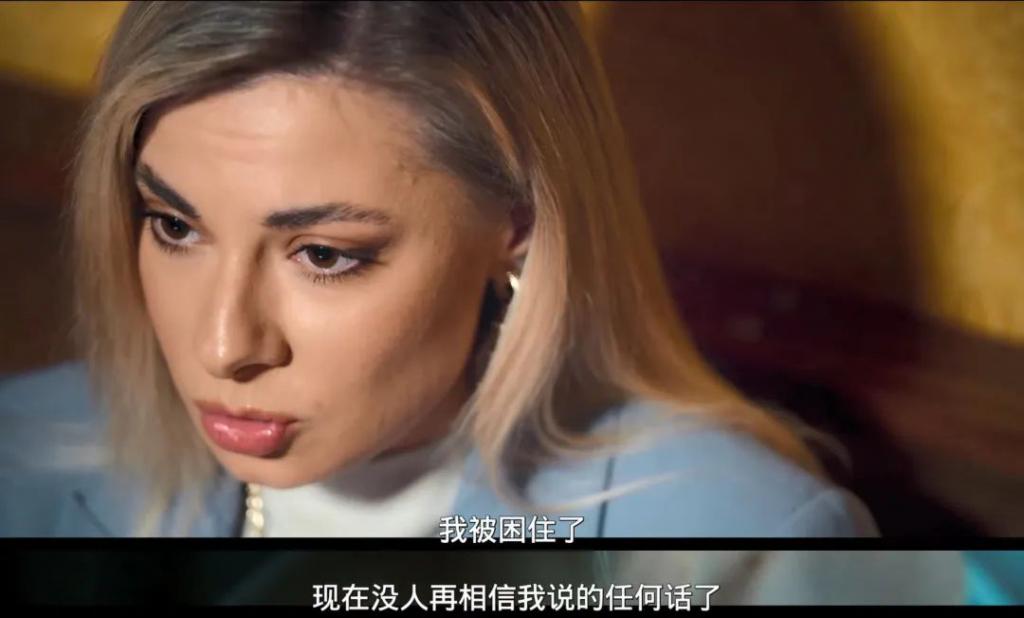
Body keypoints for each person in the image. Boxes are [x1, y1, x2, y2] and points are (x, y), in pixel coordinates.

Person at [1, 1, 876, 540]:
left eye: (324, 255)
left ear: (517, 226)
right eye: (174, 226)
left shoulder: (745, 544)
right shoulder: (18, 451)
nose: (224, 346)